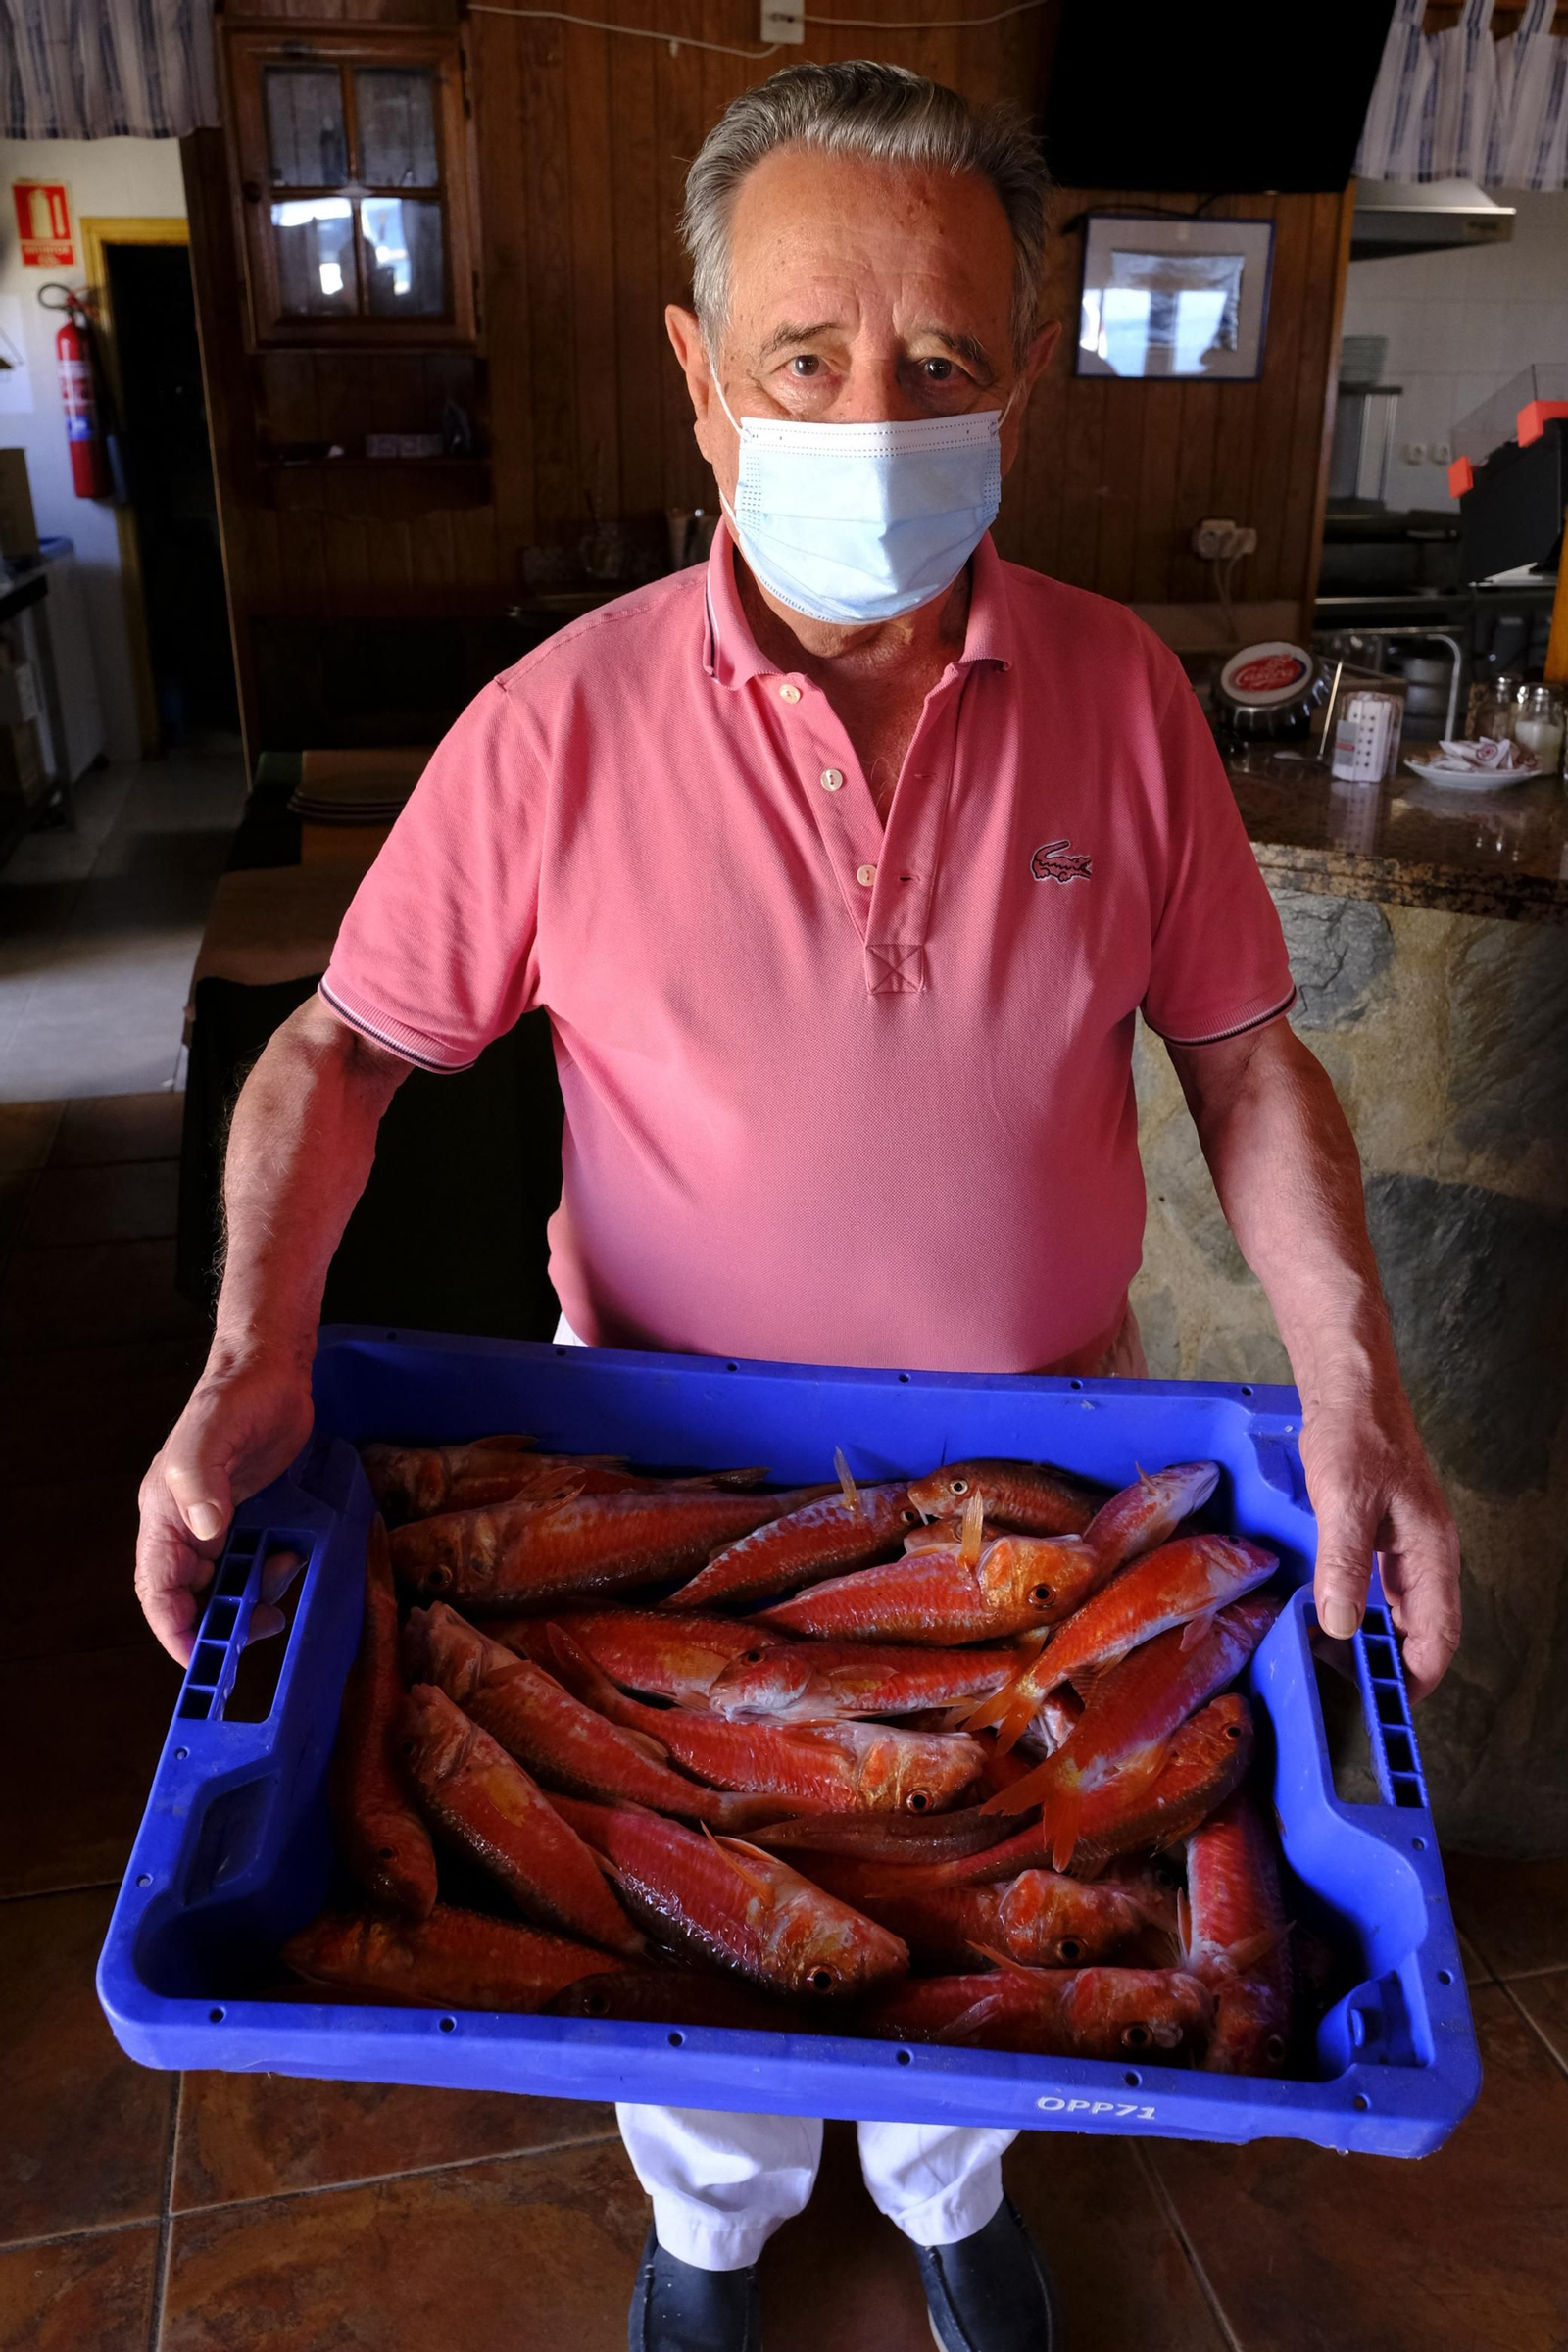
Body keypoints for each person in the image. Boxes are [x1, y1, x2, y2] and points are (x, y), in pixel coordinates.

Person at [134, 62, 1461, 2352]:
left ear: (1019, 386)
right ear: (695, 380)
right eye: (805, 361)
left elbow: (1243, 1062)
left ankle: (956, 2195)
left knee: (1016, 1867)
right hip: (643, 1466)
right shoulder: (552, 723)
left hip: (1051, 1463)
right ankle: (714, 2233)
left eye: (940, 363)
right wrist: (253, 1349)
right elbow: (337, 1050)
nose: (877, 413)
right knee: (690, 1922)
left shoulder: (1127, 702)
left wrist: (1355, 1386)